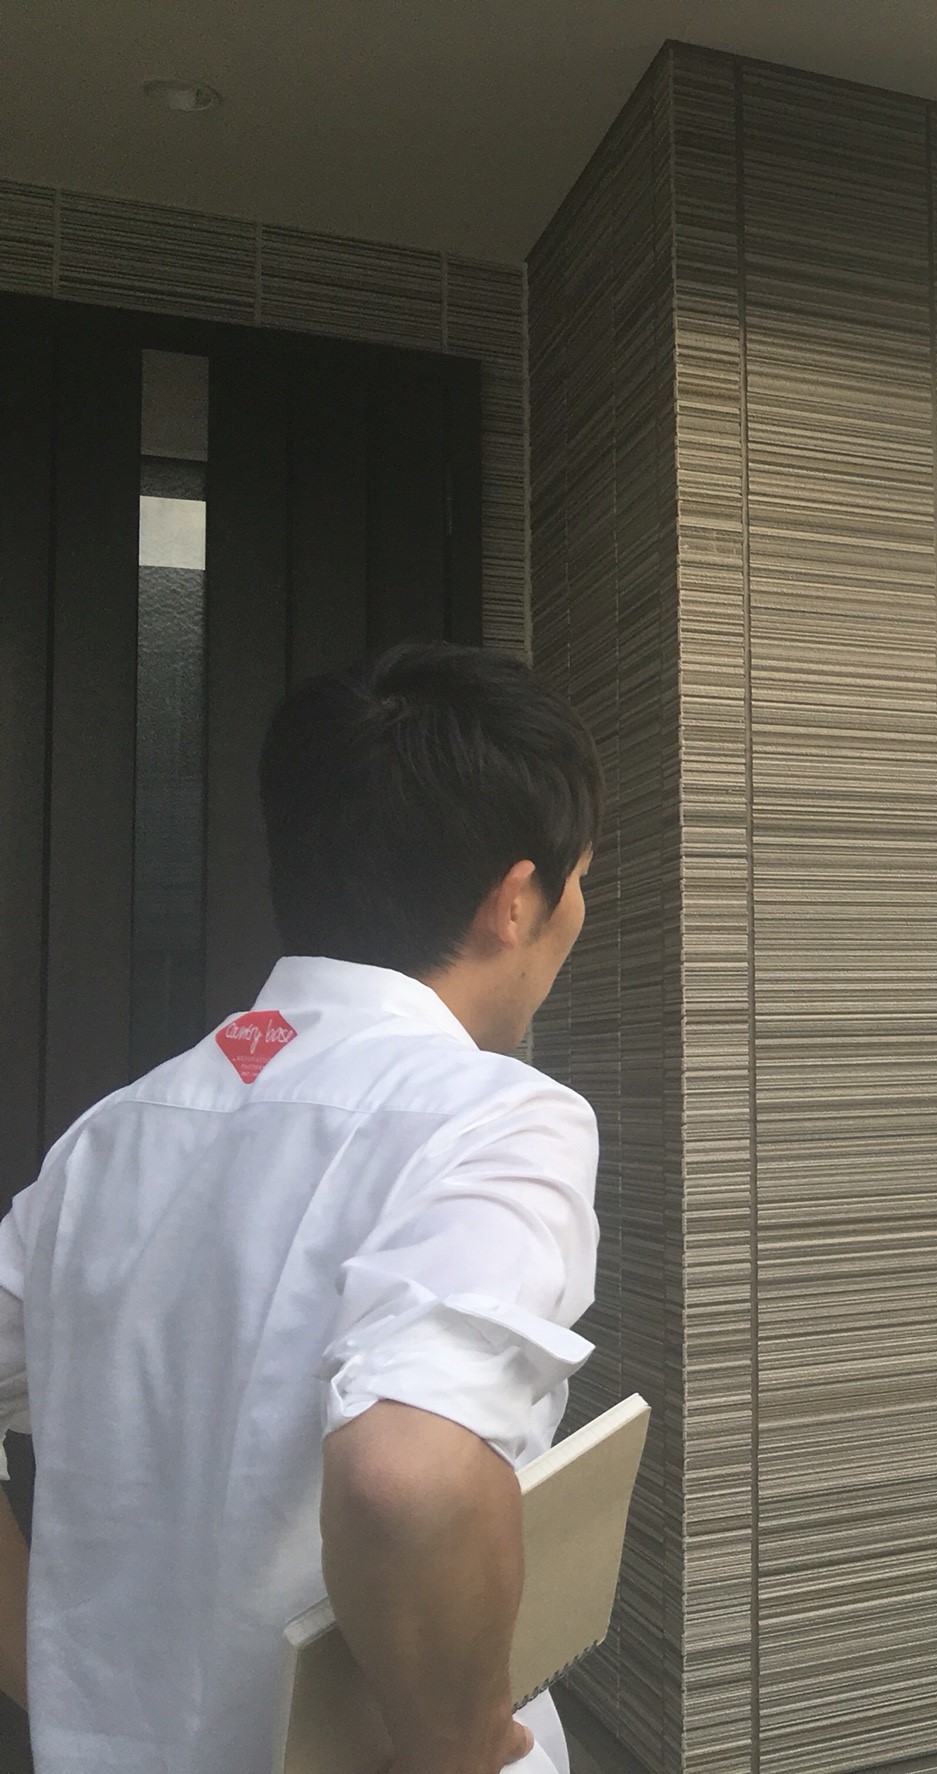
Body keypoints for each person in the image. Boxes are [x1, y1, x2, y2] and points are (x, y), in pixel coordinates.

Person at [0, 642, 603, 1774]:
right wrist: (465, 1748)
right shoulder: (498, 1117)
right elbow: (408, 1470)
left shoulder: (110, 1136)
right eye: (578, 879)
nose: (580, 909)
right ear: (515, 900)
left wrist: (57, 1673)